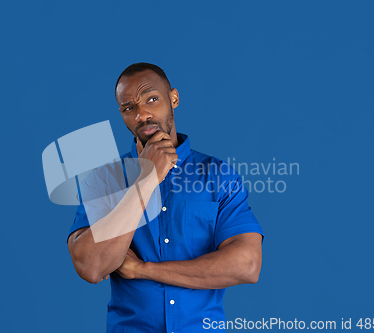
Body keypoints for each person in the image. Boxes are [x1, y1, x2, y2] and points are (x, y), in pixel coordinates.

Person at [67, 62, 264, 332]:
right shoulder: (104, 180)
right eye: (129, 108)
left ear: (174, 98)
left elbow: (247, 265)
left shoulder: (218, 176)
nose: (142, 114)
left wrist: (143, 270)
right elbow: (90, 266)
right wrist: (146, 180)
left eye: (152, 99)